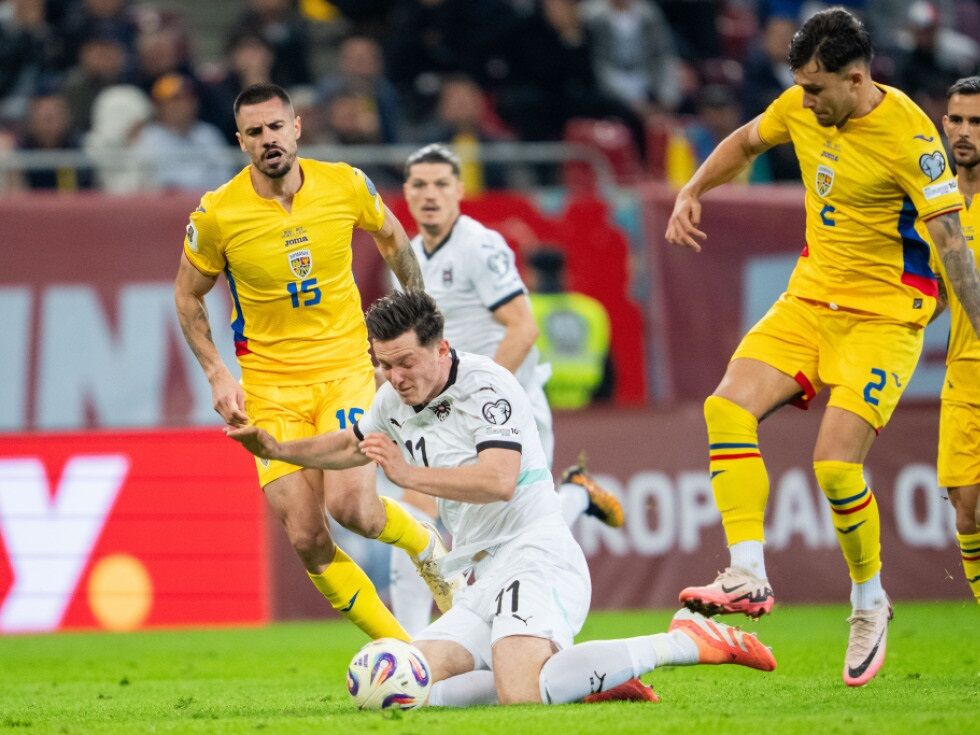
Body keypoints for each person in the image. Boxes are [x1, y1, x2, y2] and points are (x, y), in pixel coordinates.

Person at [227, 290, 777, 706]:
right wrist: (280, 447)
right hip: (477, 579)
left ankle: (684, 639)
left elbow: (499, 480)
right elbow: (352, 445)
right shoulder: (393, 399)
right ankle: (583, 680)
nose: (394, 377)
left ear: (440, 348)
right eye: (384, 364)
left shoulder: (486, 388)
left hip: (535, 557)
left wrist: (409, 474)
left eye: (406, 363)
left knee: (519, 692)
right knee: (413, 683)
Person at [664, 8, 980, 687]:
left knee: (835, 468)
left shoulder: (912, 139)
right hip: (809, 299)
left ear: (856, 78)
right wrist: (693, 188)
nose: (805, 100)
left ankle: (869, 600)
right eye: (800, 86)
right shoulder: (801, 105)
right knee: (725, 408)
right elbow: (747, 143)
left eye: (816, 89)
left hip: (886, 317)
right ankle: (747, 571)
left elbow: (952, 246)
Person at [173, 82, 456, 644]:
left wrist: (420, 318)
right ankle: (402, 653)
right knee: (307, 536)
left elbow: (394, 239)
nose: (267, 140)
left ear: (296, 127)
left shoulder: (345, 184)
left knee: (356, 510)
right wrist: (216, 370)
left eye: (276, 127)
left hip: (346, 370)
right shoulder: (218, 214)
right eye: (254, 133)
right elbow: (187, 295)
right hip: (270, 388)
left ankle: (427, 546)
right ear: (241, 142)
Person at [385, 144, 624, 636]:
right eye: (419, 185)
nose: (430, 195)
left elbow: (522, 328)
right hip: (447, 409)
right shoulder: (406, 258)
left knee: (518, 527)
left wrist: (474, 395)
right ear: (406, 193)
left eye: (440, 184)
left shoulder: (480, 245)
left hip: (502, 405)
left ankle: (574, 502)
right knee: (416, 518)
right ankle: (411, 647)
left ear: (459, 190)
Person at [936, 76, 980, 604]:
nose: (966, 132)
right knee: (967, 508)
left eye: (977, 123)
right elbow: (931, 294)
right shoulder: (932, 204)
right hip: (963, 372)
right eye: (959, 120)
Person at [526, 246, 613, 409]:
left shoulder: (525, 309)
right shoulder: (590, 309)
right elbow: (607, 367)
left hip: (539, 400)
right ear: (564, 274)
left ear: (532, 275)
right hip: (588, 400)